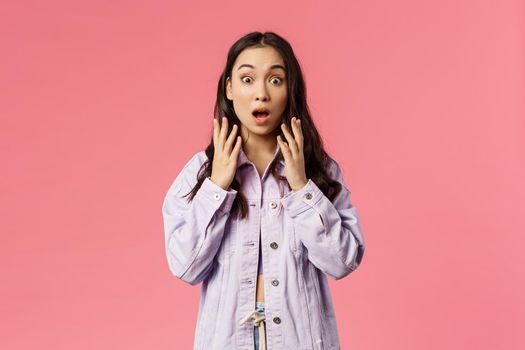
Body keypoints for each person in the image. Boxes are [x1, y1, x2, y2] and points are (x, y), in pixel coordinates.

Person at [162, 31, 366, 350]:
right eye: (247, 79)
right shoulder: (201, 172)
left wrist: (301, 187)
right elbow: (185, 267)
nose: (261, 94)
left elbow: (342, 262)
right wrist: (217, 186)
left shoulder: (319, 170)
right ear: (229, 88)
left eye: (275, 80)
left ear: (290, 89)